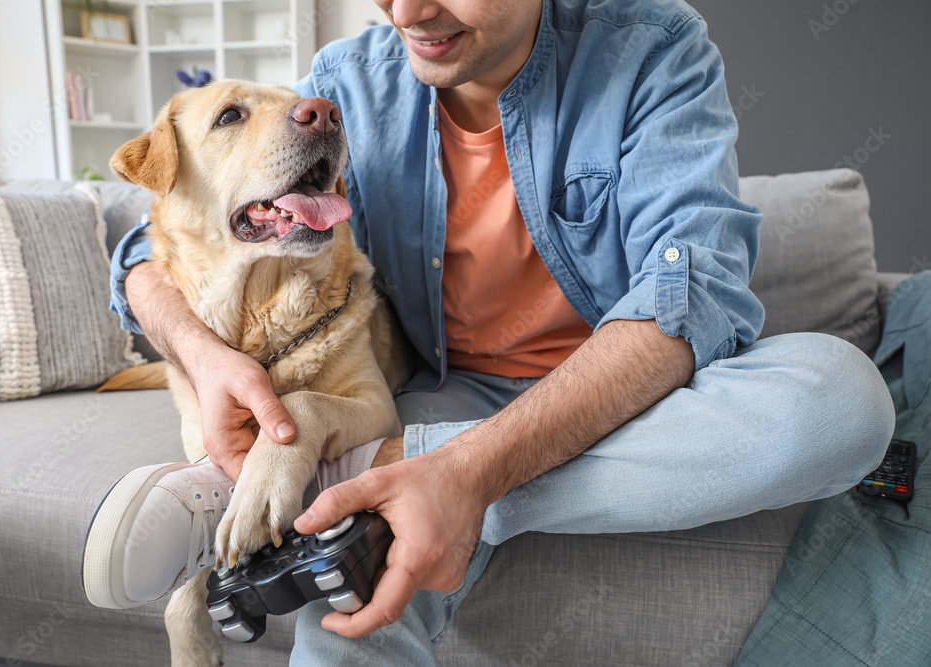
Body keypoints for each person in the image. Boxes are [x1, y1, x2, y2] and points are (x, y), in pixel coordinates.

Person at [89, 0, 895, 663]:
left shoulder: (653, 51)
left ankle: (375, 465)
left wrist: (467, 469)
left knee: (843, 402)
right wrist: (201, 349)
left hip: (641, 397)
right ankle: (392, 474)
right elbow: (156, 237)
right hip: (450, 388)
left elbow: (697, 297)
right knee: (353, 616)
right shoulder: (351, 86)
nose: (410, 12)